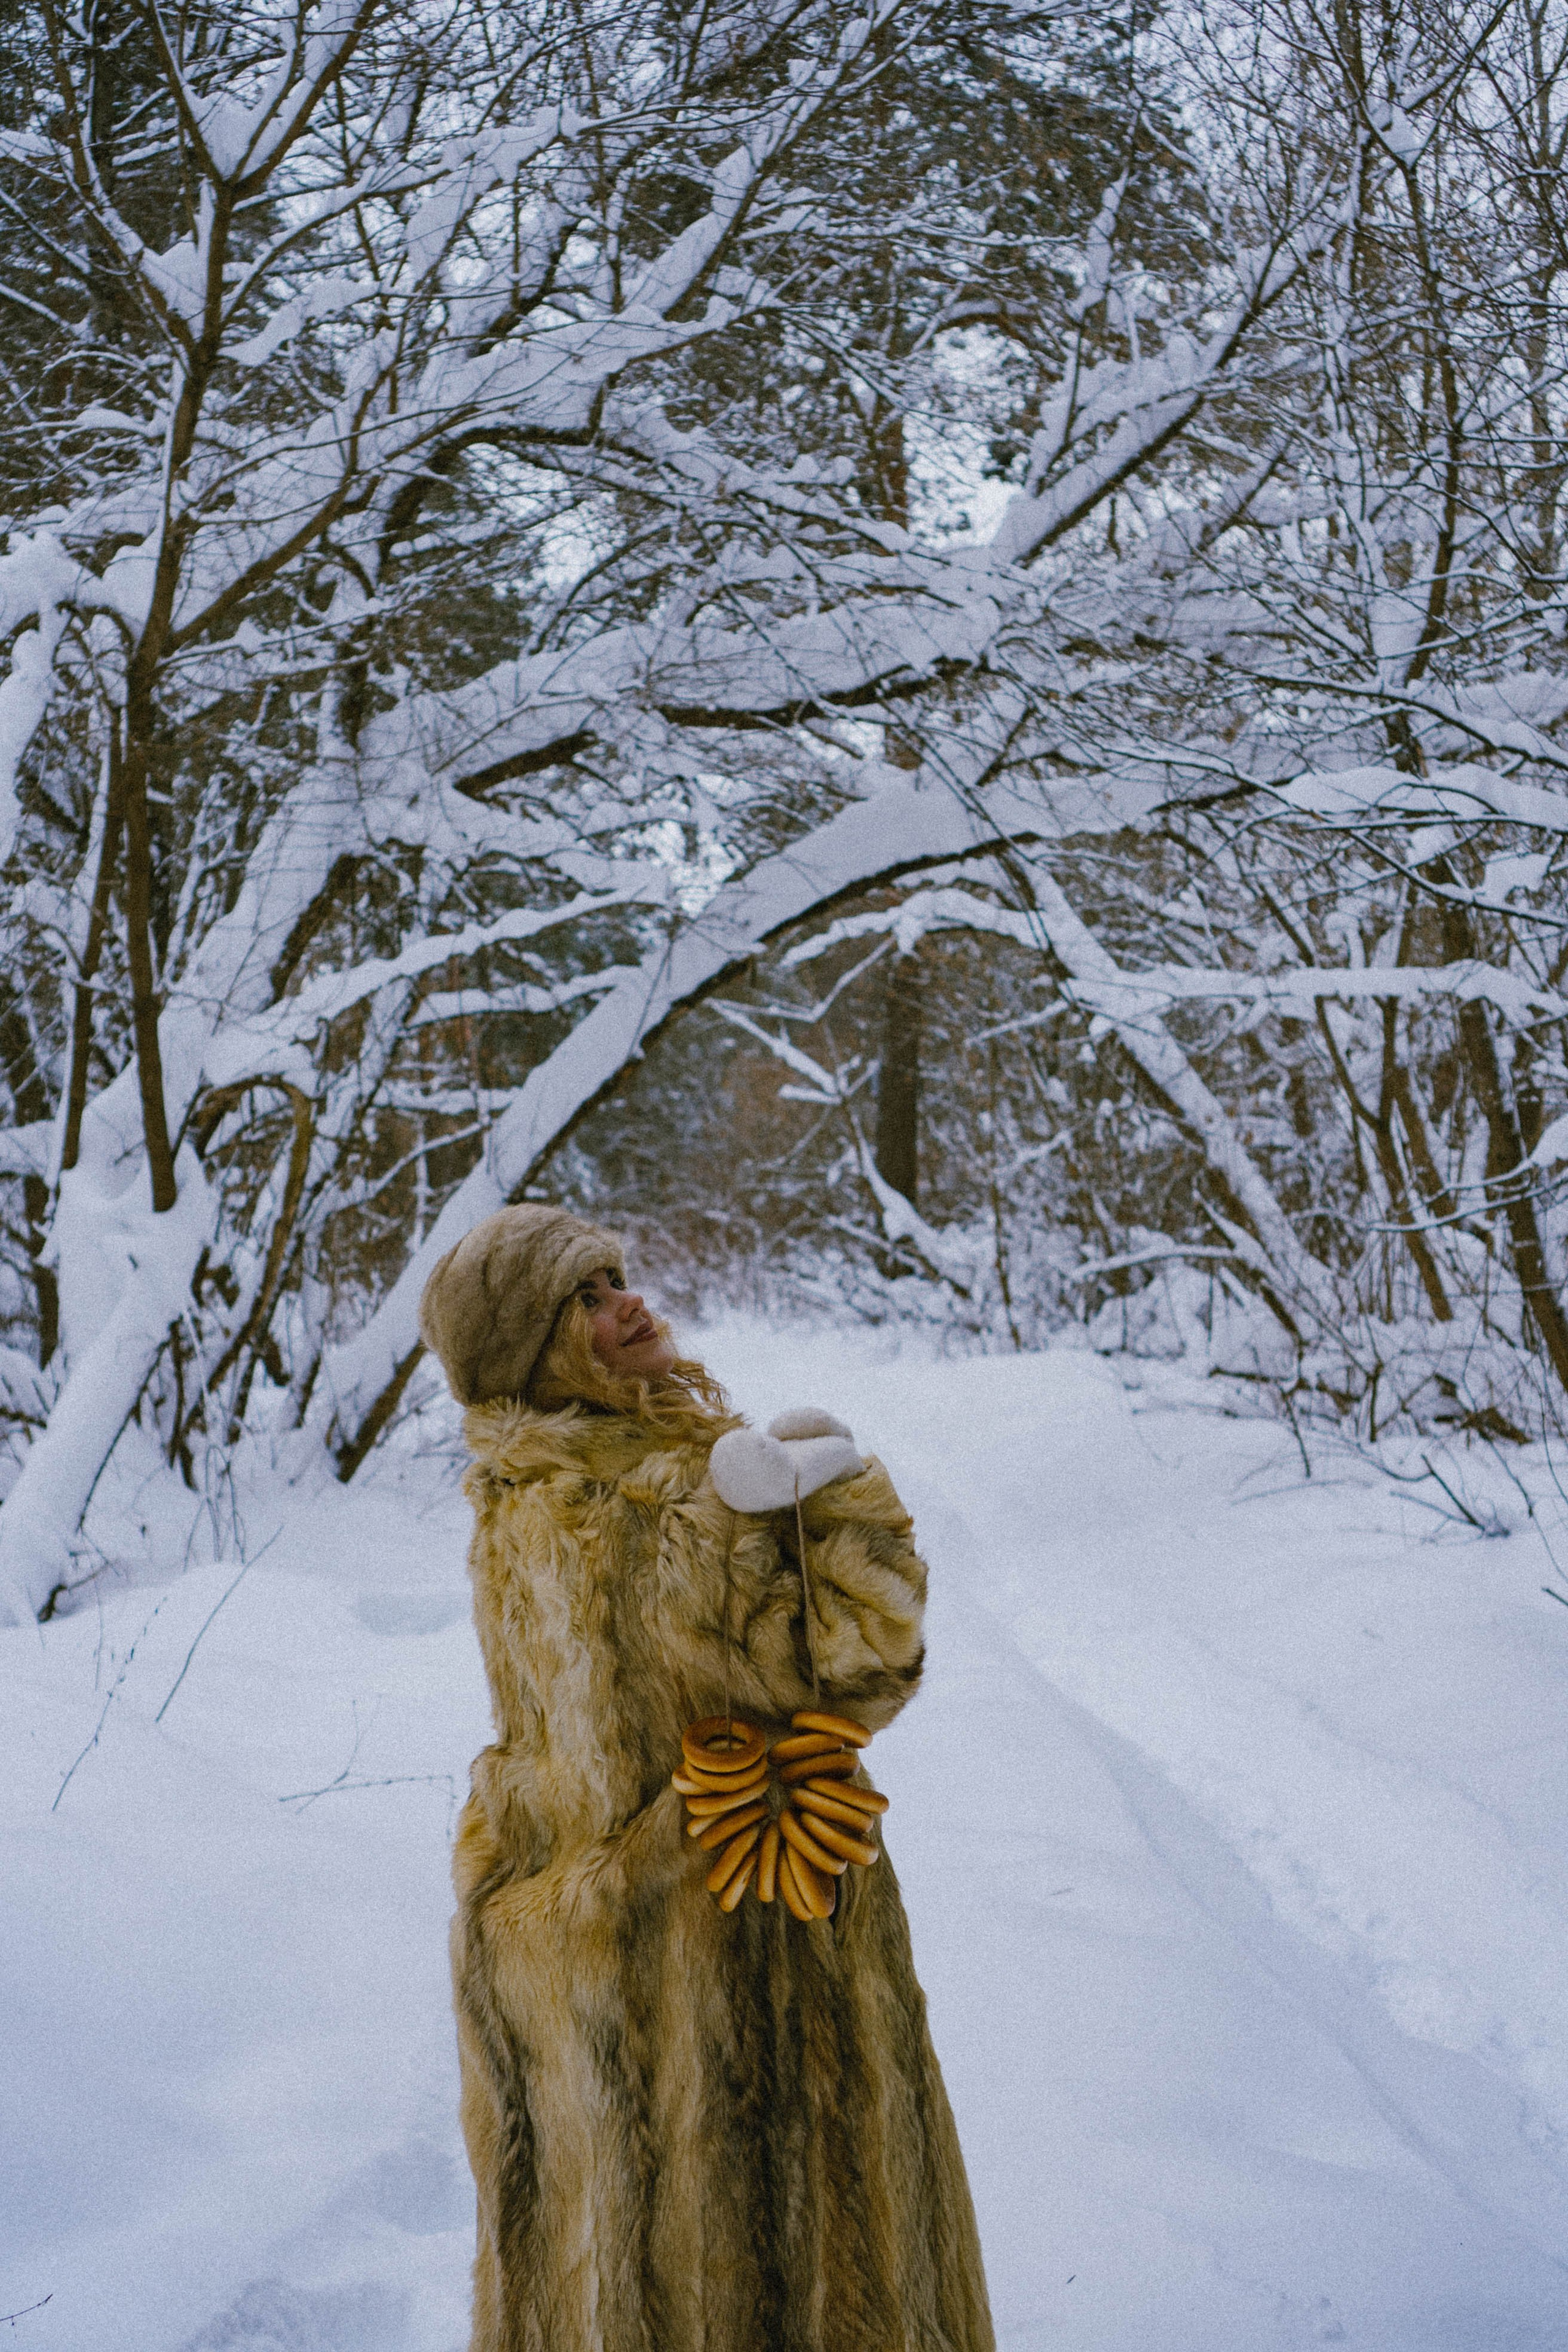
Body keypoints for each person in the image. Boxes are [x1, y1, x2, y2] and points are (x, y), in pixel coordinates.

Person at [418, 1202, 995, 2352]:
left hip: (592, 1959)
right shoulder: (653, 1506)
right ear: (534, 1351)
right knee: (779, 2273)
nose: (626, 1303)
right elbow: (860, 1667)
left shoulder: (520, 1493)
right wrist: (845, 1504)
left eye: (615, 1277)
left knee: (627, 2273)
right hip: (725, 1947)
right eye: (580, 1301)